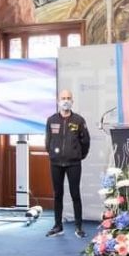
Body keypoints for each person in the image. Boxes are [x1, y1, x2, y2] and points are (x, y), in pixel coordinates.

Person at [44, 89, 91, 238]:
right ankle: (58, 225)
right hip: (56, 163)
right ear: (58, 101)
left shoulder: (79, 120)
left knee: (75, 194)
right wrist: (52, 154)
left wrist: (78, 155)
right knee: (57, 194)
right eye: (63, 98)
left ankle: (78, 226)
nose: (65, 100)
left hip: (73, 163)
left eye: (68, 98)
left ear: (72, 101)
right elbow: (47, 141)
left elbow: (86, 141)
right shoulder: (51, 120)